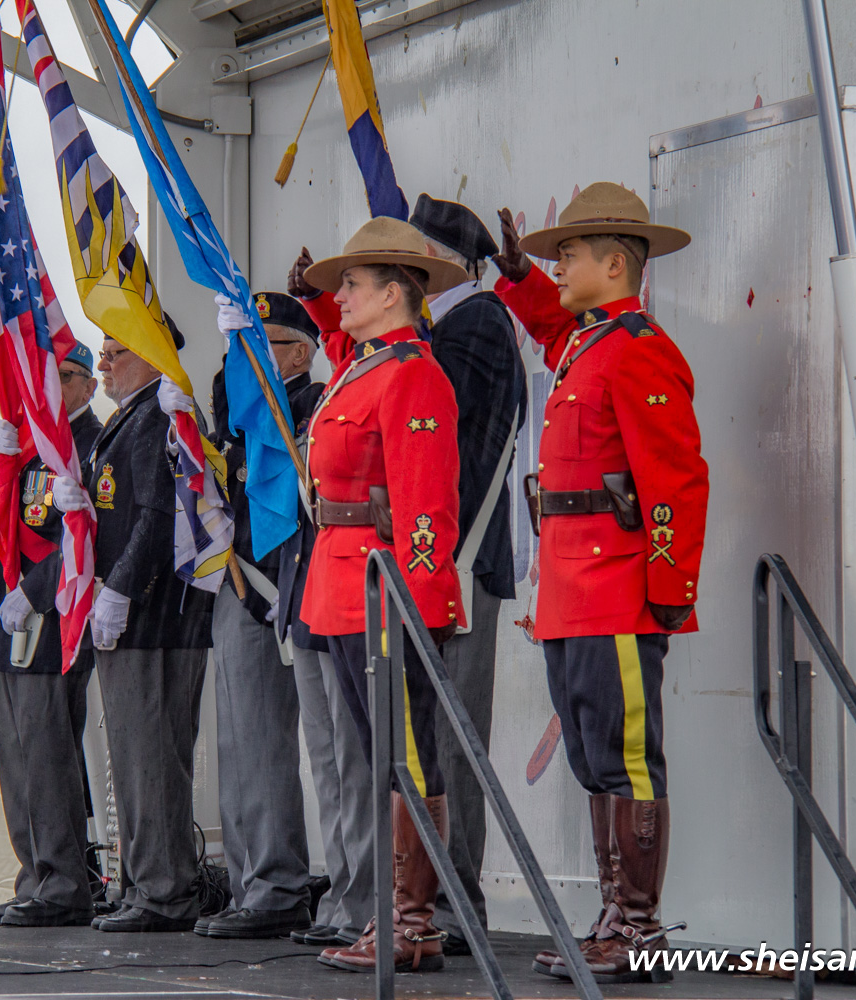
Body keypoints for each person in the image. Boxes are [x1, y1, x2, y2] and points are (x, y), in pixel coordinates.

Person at [492, 183, 707, 983]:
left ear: (615, 265)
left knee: (626, 760)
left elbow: (675, 479)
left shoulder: (638, 349)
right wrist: (516, 278)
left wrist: (667, 587)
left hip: (617, 588)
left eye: (568, 255)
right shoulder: (590, 343)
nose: (557, 268)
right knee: (592, 757)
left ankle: (639, 928)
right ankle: (616, 917)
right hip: (572, 592)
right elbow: (554, 330)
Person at [298, 216, 468, 974]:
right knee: (380, 757)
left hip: (386, 592)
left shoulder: (412, 375)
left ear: (394, 293)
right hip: (342, 584)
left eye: (353, 286)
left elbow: (426, 508)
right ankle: (395, 916)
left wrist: (418, 607)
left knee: (408, 760)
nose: (340, 298)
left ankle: (412, 922)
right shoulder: (362, 367)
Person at [171, 292, 326, 940]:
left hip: (279, 585)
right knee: (237, 744)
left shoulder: (311, 408)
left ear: (299, 354)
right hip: (237, 582)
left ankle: (278, 886)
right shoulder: (240, 415)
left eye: (261, 346)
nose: (245, 359)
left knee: (266, 743)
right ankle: (250, 884)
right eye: (239, 347)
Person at [50, 326, 215, 933]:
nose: (103, 365)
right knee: (134, 755)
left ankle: (164, 891)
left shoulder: (158, 414)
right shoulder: (132, 416)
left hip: (156, 614)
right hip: (133, 615)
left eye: (114, 354)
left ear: (148, 354)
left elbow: (157, 513)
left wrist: (120, 587)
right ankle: (145, 883)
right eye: (102, 355)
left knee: (152, 757)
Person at [409, 194, 527, 951]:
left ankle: (457, 898)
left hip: (462, 559)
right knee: (431, 729)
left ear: (444, 262)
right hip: (439, 559)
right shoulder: (447, 329)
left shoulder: (474, 324)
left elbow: (438, 429)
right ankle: (428, 895)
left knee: (454, 734)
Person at [0, 341, 104, 928]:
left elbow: (87, 537)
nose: (51, 385)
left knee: (47, 757)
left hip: (50, 619)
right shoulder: (23, 436)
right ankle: (34, 878)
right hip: (6, 620)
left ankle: (63, 883)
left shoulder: (88, 444)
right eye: (45, 375)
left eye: (65, 376)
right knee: (17, 761)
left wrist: (36, 591)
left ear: (89, 386)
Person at [271, 290, 373, 952]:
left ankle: (363, 898)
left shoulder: (341, 390)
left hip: (346, 589)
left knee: (353, 761)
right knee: (327, 762)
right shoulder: (333, 392)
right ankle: (341, 892)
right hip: (309, 592)